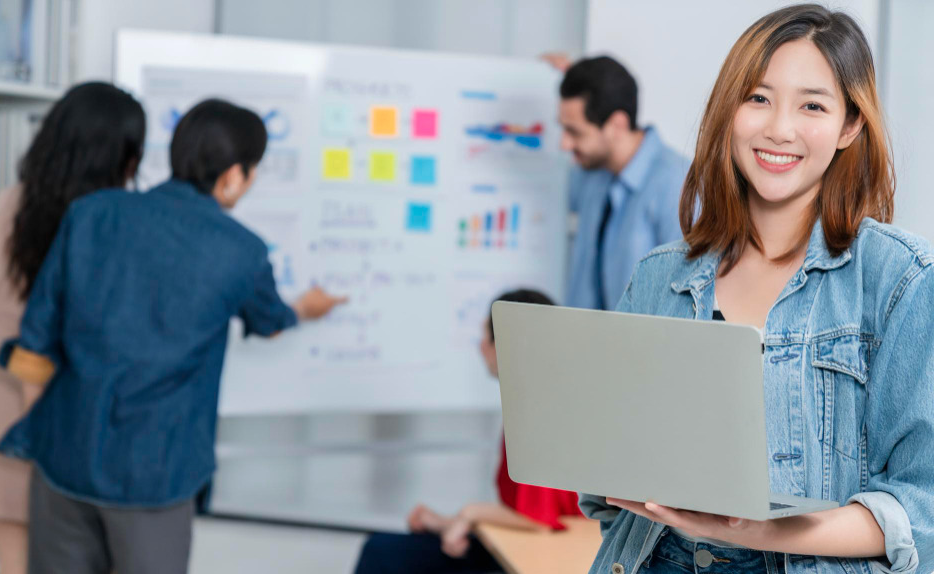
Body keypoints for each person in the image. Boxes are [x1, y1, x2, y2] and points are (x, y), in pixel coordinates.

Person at [579, 5, 934, 574]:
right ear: (730, 109)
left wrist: (763, 529)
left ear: (849, 126)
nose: (779, 129)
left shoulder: (900, 278)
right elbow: (611, 485)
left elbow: (923, 511)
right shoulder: (657, 277)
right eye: (758, 98)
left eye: (812, 105)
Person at [0, 99, 346, 573]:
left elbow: (36, 336)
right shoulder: (241, 250)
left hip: (63, 457)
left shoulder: (90, 213)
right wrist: (304, 309)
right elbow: (270, 321)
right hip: (155, 475)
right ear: (234, 176)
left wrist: (44, 432)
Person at [0, 82, 146, 574]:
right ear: (120, 156)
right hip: (83, 413)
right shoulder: (111, 224)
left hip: (7, 400)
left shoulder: (2, 208)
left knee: (15, 557)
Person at [354, 289, 582, 574]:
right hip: (524, 546)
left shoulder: (542, 411)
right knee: (382, 550)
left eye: (486, 336)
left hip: (549, 556)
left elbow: (539, 521)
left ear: (506, 344)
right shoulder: (530, 403)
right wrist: (447, 523)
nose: (480, 346)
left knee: (382, 554)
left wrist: (469, 514)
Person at [556, 56, 689, 310]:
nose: (564, 144)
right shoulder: (591, 170)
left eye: (574, 132)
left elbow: (687, 301)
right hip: (580, 333)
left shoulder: (677, 184)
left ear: (617, 125)